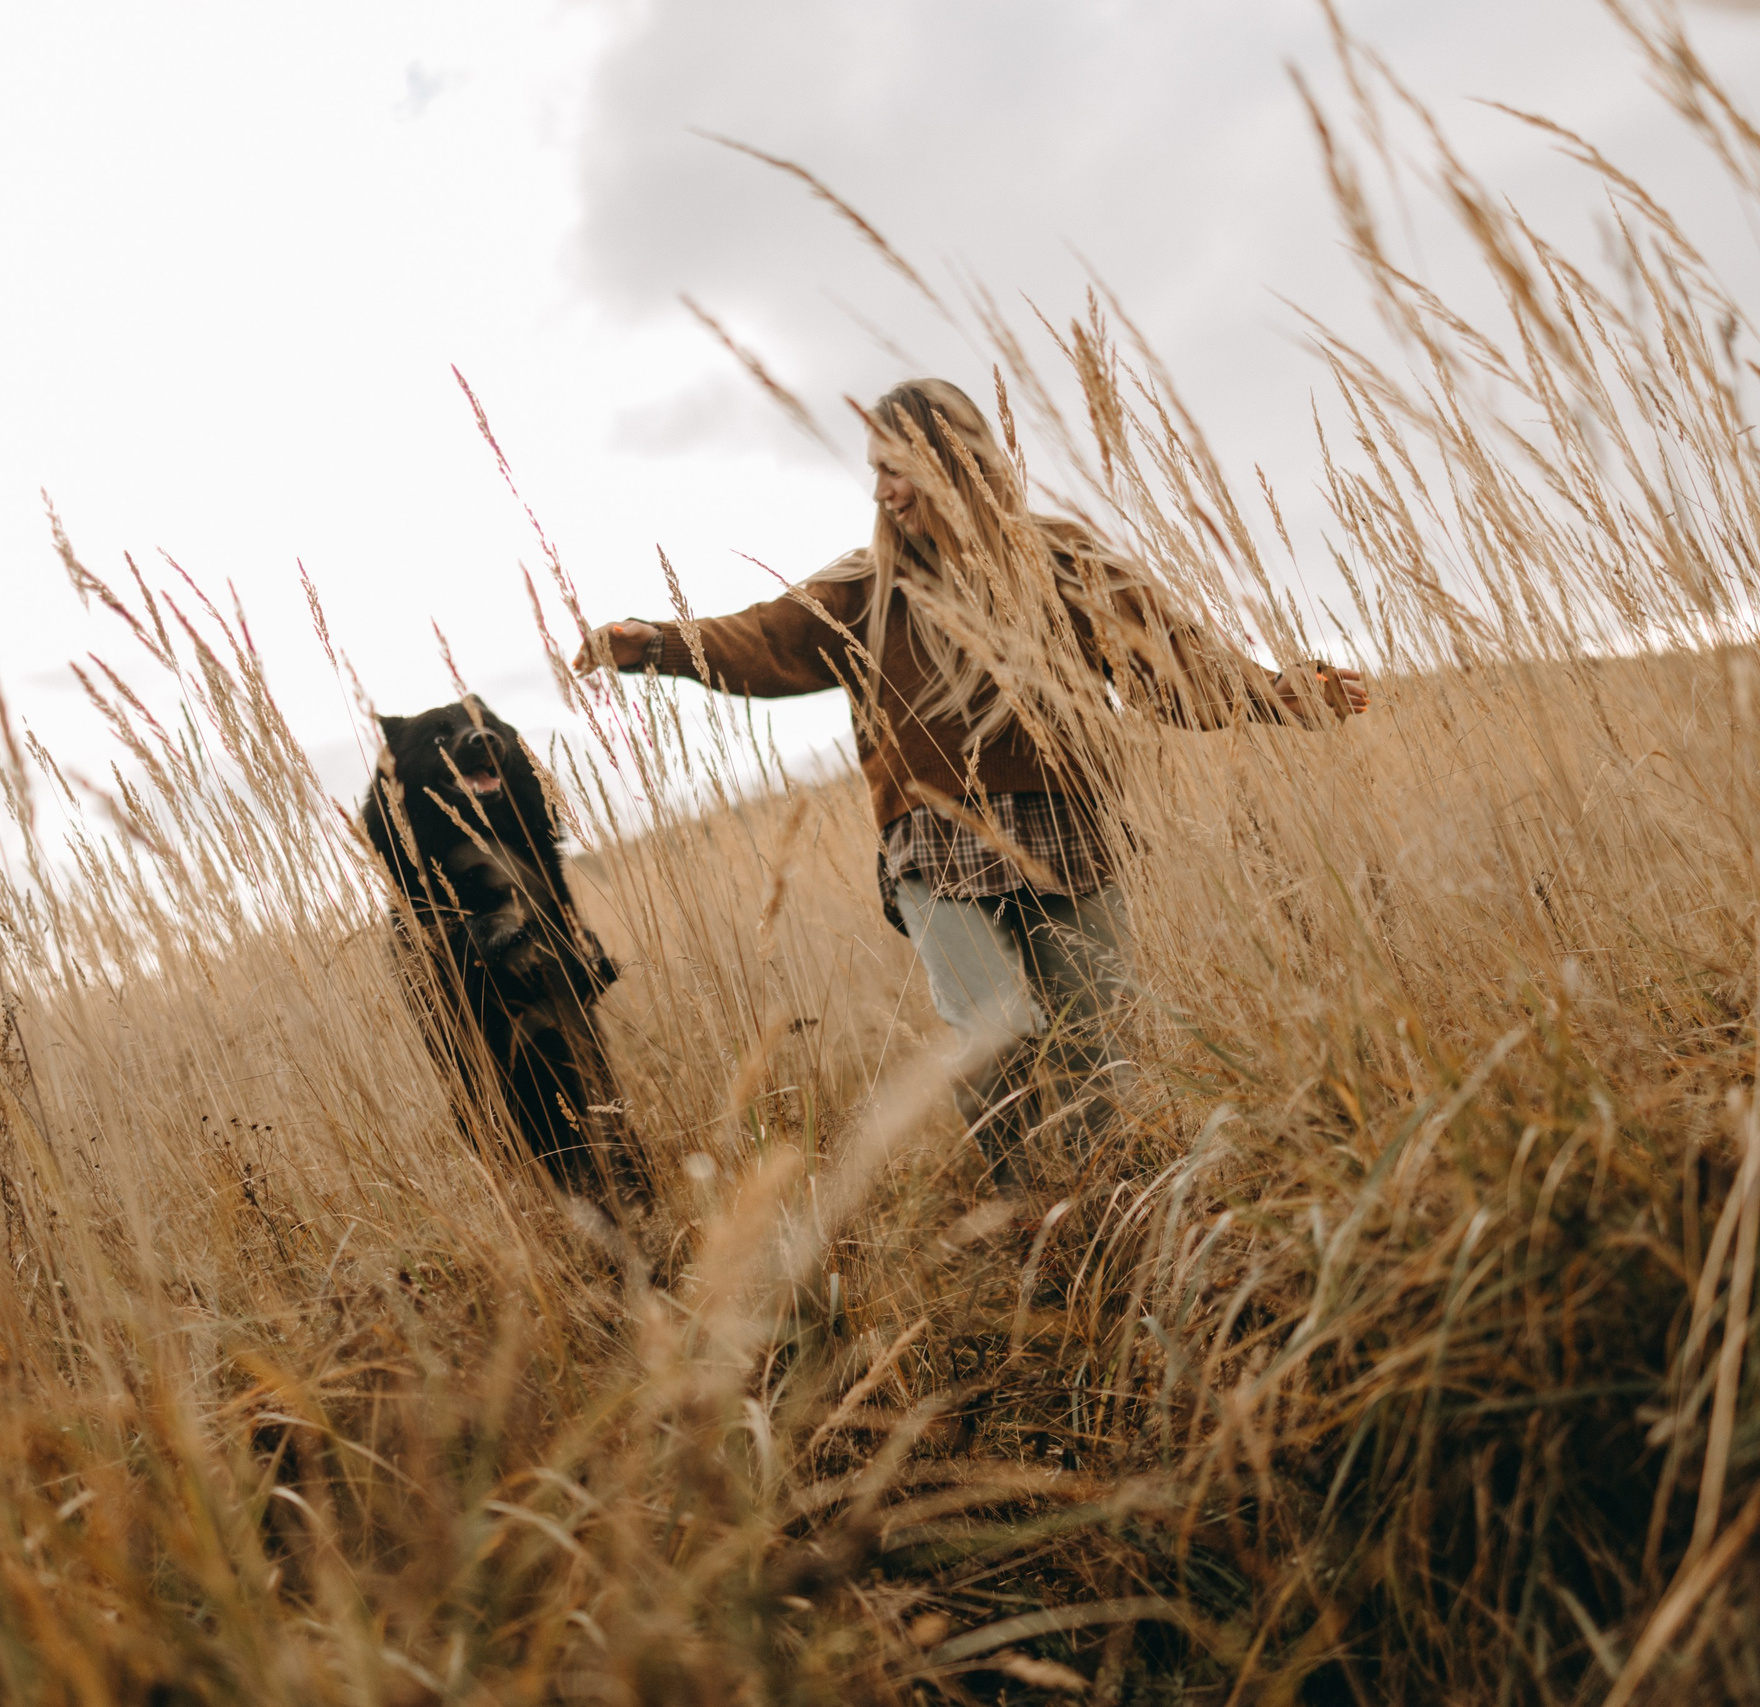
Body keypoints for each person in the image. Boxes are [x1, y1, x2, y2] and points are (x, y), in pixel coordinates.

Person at [573, 378, 1367, 1194]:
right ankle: (1022, 1199)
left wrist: (1280, 693)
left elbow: (1170, 658)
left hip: (1068, 822)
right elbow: (762, 640)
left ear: (958, 462)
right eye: (875, 471)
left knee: (1101, 1039)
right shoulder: (865, 585)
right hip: (933, 833)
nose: (882, 490)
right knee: (995, 1028)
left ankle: (1118, 1210)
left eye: (899, 468)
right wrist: (659, 643)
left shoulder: (1058, 560)